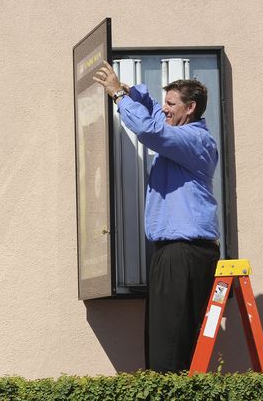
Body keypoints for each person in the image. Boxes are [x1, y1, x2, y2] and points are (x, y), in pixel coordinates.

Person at [94, 61, 220, 372]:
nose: (164, 109)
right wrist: (130, 91)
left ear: (190, 108)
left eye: (171, 104)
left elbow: (150, 130)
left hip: (185, 253)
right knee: (165, 338)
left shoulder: (194, 140)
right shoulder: (179, 136)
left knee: (170, 345)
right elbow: (153, 116)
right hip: (174, 253)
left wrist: (118, 98)